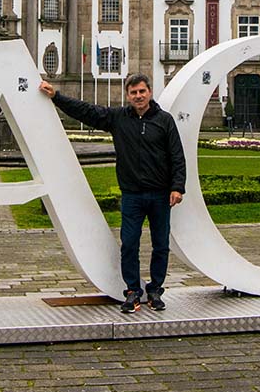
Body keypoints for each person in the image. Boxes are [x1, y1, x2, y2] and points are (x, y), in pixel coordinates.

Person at [39, 73, 186, 313]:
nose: (138, 96)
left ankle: (155, 289)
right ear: (128, 95)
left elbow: (177, 156)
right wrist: (57, 97)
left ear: (149, 92)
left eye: (142, 91)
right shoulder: (118, 118)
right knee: (129, 244)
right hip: (132, 195)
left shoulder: (165, 121)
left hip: (160, 195)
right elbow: (87, 111)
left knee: (161, 245)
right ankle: (132, 291)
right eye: (133, 92)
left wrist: (177, 187)